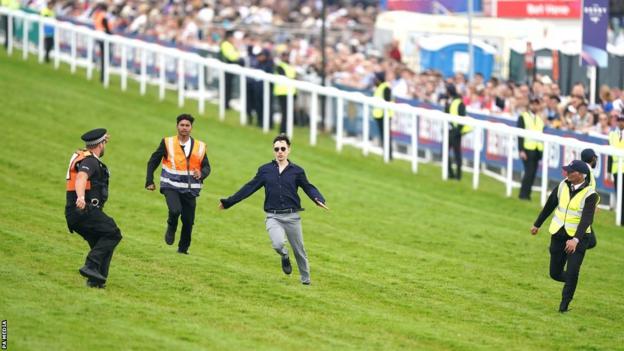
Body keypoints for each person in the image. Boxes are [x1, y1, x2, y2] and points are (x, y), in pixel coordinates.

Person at [219, 134, 328, 285]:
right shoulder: (265, 170)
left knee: (299, 251)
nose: (280, 152)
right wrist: (229, 202)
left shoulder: (297, 171)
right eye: (277, 149)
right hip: (273, 217)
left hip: (292, 217)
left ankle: (306, 280)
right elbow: (249, 187)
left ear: (289, 150)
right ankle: (284, 255)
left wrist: (318, 199)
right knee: (277, 244)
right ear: (273, 151)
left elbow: (308, 187)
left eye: (283, 148)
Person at [531, 160, 597, 312]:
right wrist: (537, 224)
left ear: (580, 175)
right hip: (558, 234)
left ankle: (564, 307)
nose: (566, 173)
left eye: (570, 171)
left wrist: (575, 239)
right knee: (555, 273)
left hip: (578, 239)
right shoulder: (562, 185)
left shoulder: (590, 194)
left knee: (573, 270)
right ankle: (572, 281)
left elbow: (587, 220)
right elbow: (550, 205)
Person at [65, 128, 122, 288]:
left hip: (75, 213)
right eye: (104, 143)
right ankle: (90, 265)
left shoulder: (83, 156)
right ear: (101, 144)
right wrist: (81, 197)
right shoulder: (90, 161)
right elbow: (82, 177)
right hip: (84, 210)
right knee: (113, 233)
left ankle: (96, 281)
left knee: (102, 243)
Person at [145, 114, 211, 254]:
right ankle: (171, 226)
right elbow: (153, 161)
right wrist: (149, 180)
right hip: (171, 186)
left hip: (190, 190)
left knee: (188, 221)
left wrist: (202, 173)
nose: (184, 128)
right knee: (175, 210)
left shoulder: (200, 146)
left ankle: (183, 249)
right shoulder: (167, 142)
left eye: (187, 125)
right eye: (182, 125)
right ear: (177, 126)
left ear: (191, 128)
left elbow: (206, 167)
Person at [517, 97, 545, 200]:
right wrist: (521, 150)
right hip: (527, 149)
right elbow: (519, 135)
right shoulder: (523, 117)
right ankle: (523, 194)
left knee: (533, 173)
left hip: (537, 150)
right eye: (533, 104)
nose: (535, 106)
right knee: (528, 172)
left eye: (537, 104)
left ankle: (527, 194)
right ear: (529, 105)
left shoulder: (539, 119)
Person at [445, 84, 472, 180]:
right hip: (452, 130)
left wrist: (458, 131)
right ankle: (452, 174)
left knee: (456, 154)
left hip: (455, 132)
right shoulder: (451, 101)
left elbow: (462, 117)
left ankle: (457, 175)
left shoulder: (457, 102)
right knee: (452, 153)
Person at [274, 50, 297, 134]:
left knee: (288, 114)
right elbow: (286, 78)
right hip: (283, 93)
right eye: (285, 56)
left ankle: (286, 130)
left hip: (291, 92)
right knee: (285, 113)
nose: (287, 58)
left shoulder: (290, 66)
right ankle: (282, 131)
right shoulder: (280, 66)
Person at [372, 72, 393, 160]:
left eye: (376, 78)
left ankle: (388, 155)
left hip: (385, 115)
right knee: (383, 136)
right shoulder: (379, 87)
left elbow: (387, 101)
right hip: (379, 115)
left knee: (386, 136)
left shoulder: (385, 87)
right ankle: (385, 153)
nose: (374, 80)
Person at [580, 148, 599, 249]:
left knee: (588, 240)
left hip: (580, 211)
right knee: (590, 241)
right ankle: (562, 247)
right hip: (581, 212)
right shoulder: (587, 172)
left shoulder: (584, 170)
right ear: (593, 158)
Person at [607, 114, 624, 225]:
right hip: (616, 170)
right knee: (619, 195)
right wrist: (608, 171)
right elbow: (609, 154)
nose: (621, 122)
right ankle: (621, 219)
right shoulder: (612, 135)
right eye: (620, 120)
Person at [219, 30, 241, 110]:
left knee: (229, 87)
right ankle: (225, 104)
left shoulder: (228, 44)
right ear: (229, 37)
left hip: (228, 69)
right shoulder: (226, 44)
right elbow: (232, 57)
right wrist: (237, 52)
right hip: (227, 69)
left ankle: (227, 103)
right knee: (227, 87)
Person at [92, 3, 111, 83]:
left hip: (98, 36)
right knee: (105, 58)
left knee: (103, 57)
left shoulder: (97, 14)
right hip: (103, 37)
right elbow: (106, 27)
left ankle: (102, 77)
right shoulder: (103, 15)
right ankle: (103, 78)